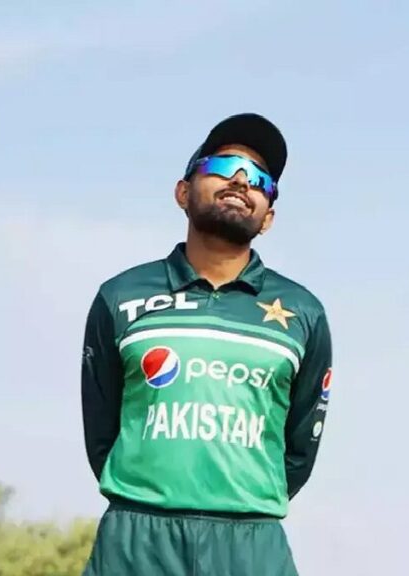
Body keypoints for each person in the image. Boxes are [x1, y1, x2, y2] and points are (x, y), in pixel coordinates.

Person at [80, 113, 333, 576]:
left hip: (251, 543)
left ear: (268, 217)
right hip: (136, 539)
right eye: (223, 166)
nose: (241, 180)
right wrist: (155, 497)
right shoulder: (120, 296)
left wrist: (236, 504)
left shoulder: (304, 312)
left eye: (259, 179)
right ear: (182, 192)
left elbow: (298, 451)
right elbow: (102, 434)